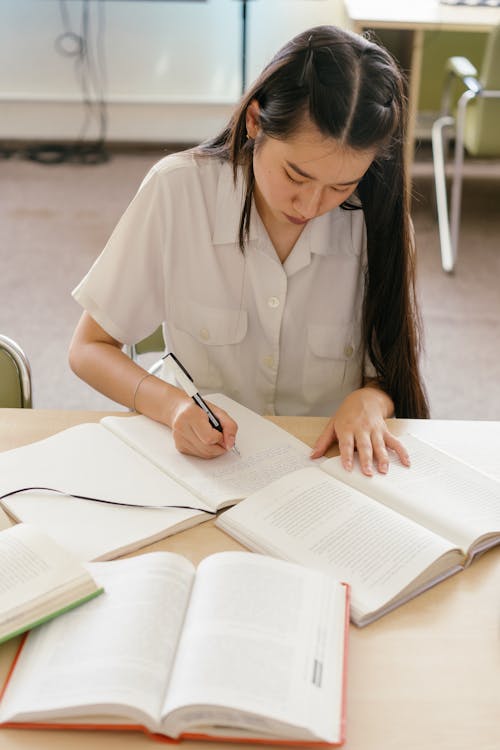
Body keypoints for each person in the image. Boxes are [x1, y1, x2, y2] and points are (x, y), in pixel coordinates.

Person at [69, 24, 429, 475]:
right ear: (255, 121)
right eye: (296, 176)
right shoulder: (178, 190)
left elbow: (391, 369)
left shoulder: (380, 223)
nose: (311, 205)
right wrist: (175, 408)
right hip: (201, 470)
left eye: (341, 185)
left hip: (325, 472)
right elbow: (89, 347)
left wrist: (370, 402)